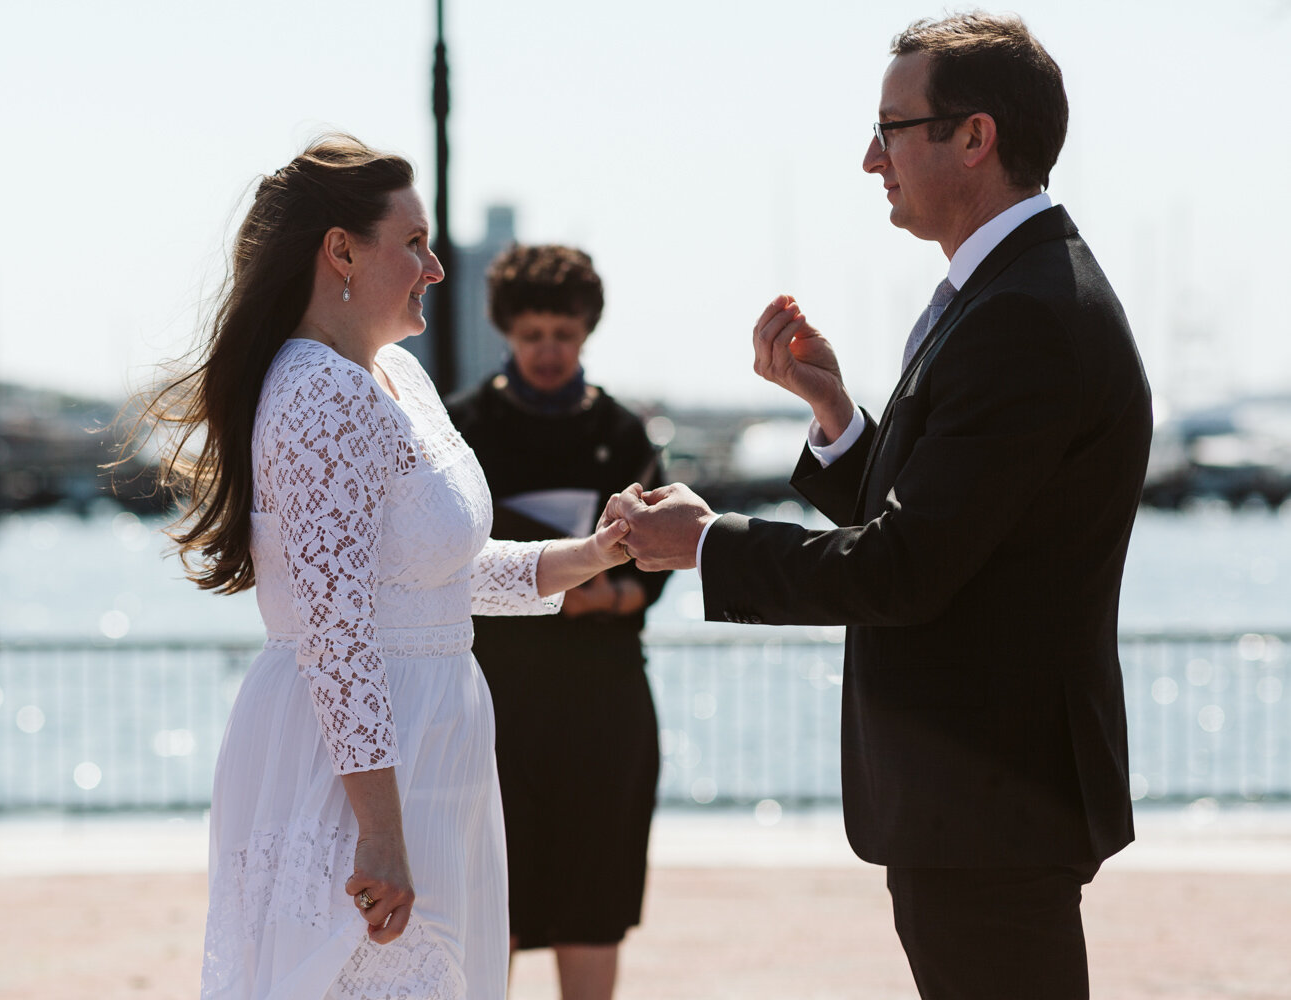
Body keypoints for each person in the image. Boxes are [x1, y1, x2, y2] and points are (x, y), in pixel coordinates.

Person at [607, 13, 1151, 999]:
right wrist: (832, 411)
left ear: (974, 137)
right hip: (983, 797)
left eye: (891, 128)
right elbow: (944, 528)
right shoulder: (1005, 294)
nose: (870, 158)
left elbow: (906, 567)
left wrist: (708, 545)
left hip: (991, 799)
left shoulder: (1022, 313)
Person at [136, 134, 631, 1000]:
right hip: (363, 770)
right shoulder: (317, 393)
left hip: (435, 743)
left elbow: (442, 573)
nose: (435, 268)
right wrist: (381, 835)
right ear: (341, 252)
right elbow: (337, 634)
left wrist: (597, 552)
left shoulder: (396, 375)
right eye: (414, 243)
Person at [445, 245, 665, 999]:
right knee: (484, 911)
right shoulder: (461, 427)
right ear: (508, 329)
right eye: (533, 333)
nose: (549, 350)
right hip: (495, 710)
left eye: (564, 334)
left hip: (605, 713)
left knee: (592, 911)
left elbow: (655, 570)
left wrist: (591, 592)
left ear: (586, 332)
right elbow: (449, 560)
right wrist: (584, 587)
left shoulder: (623, 432)